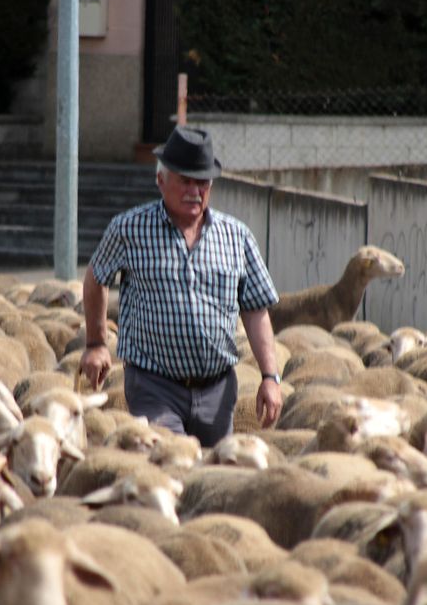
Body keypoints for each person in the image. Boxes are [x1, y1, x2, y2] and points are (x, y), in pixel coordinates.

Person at [79, 125, 282, 446]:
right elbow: (96, 277)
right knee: (170, 461)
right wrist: (96, 342)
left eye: (202, 182)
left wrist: (270, 377)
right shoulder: (129, 228)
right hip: (154, 386)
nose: (194, 190)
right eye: (185, 180)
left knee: (211, 479)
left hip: (217, 389)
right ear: (161, 180)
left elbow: (256, 309)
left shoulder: (236, 236)